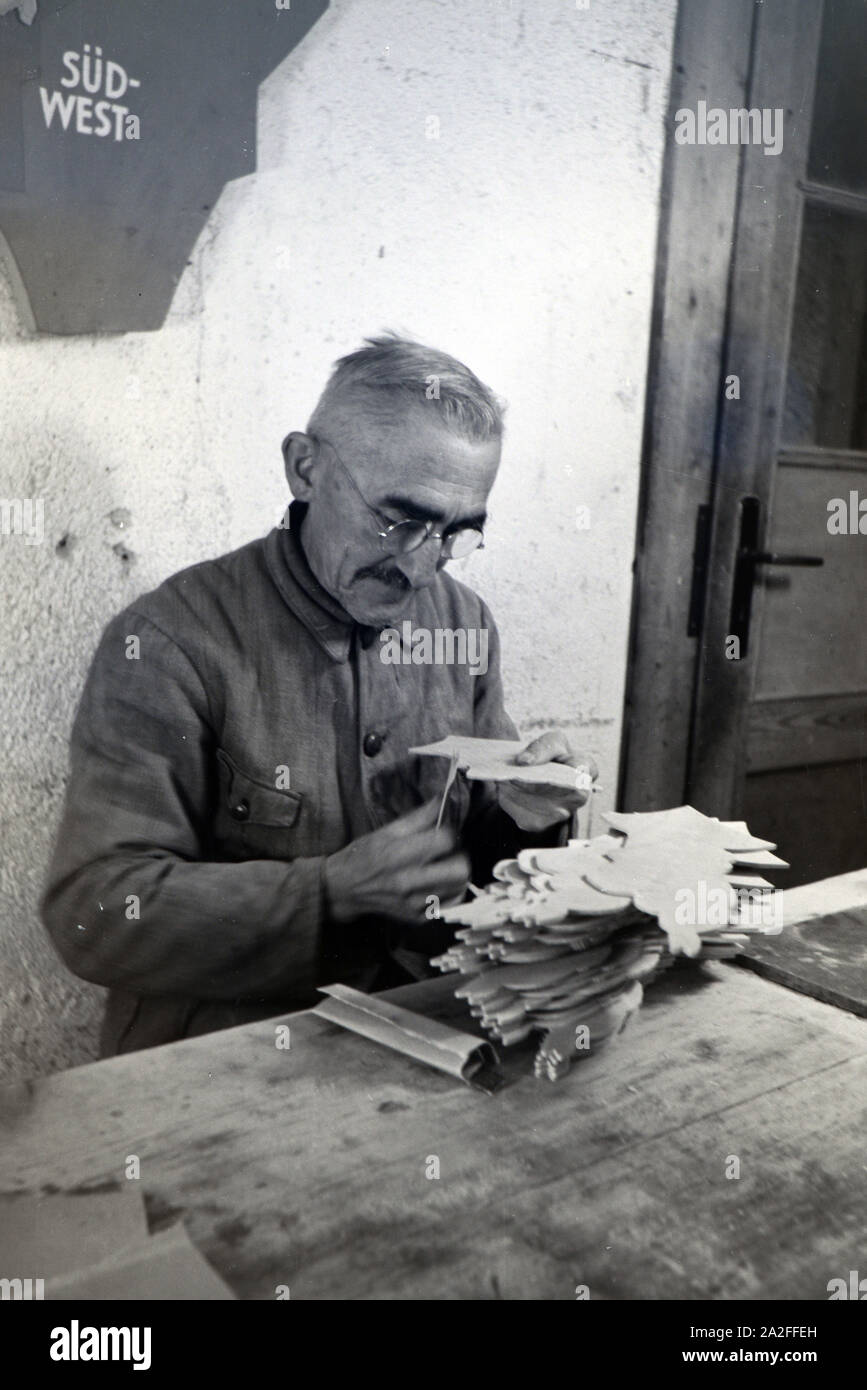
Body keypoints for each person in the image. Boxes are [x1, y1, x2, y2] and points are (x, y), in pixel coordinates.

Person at [41, 334, 595, 1055]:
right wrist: (323, 893)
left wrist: (523, 819)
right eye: (399, 520)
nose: (423, 569)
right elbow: (95, 914)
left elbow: (478, 872)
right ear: (304, 468)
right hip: (226, 1051)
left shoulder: (463, 624)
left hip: (432, 1028)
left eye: (457, 534)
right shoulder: (168, 643)